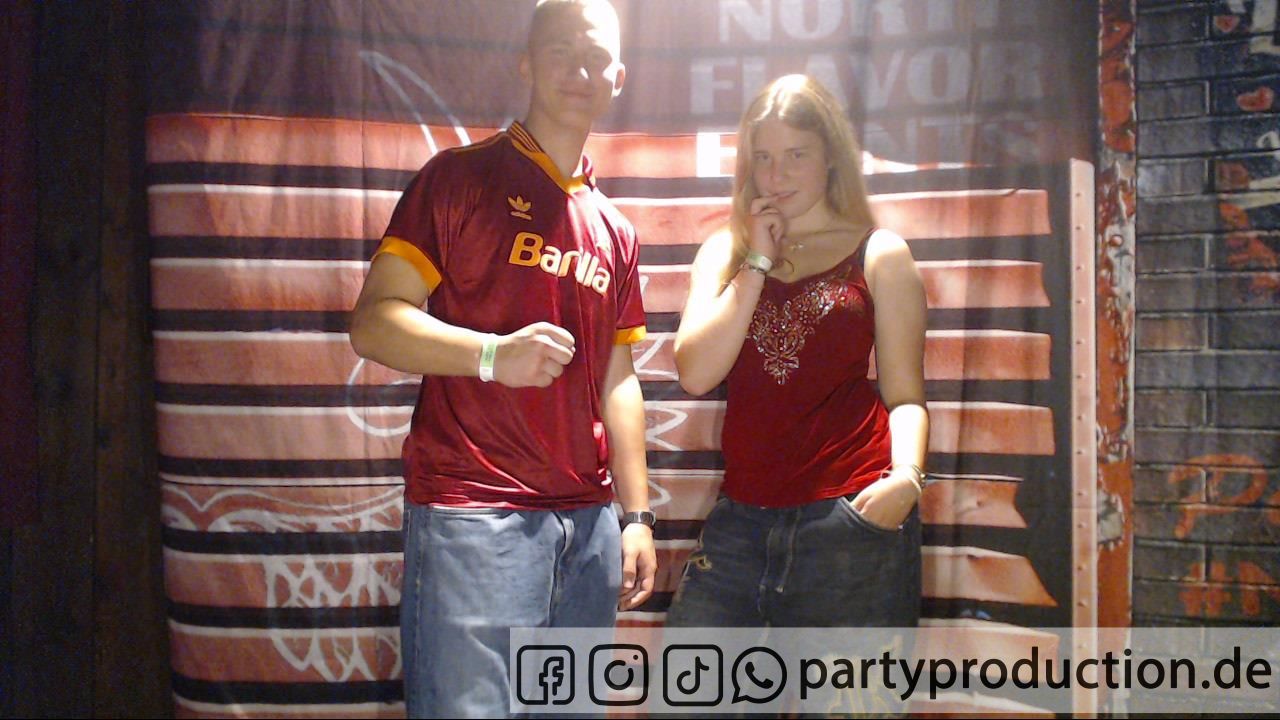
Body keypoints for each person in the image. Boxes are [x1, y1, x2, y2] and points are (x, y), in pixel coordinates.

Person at [348, 1, 656, 716]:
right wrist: (492, 355)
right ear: (526, 64)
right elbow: (374, 322)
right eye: (561, 51)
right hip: (474, 516)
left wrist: (637, 516)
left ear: (619, 77)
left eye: (596, 57)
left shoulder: (616, 230)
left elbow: (619, 379)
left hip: (588, 527)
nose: (579, 70)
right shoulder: (459, 178)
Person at [666, 74, 928, 630]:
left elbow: (906, 395)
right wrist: (757, 260)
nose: (776, 174)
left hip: (851, 511)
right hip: (742, 519)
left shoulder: (879, 253)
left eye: (796, 155)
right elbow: (695, 373)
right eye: (763, 157)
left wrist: (906, 478)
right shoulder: (725, 252)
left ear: (831, 156)